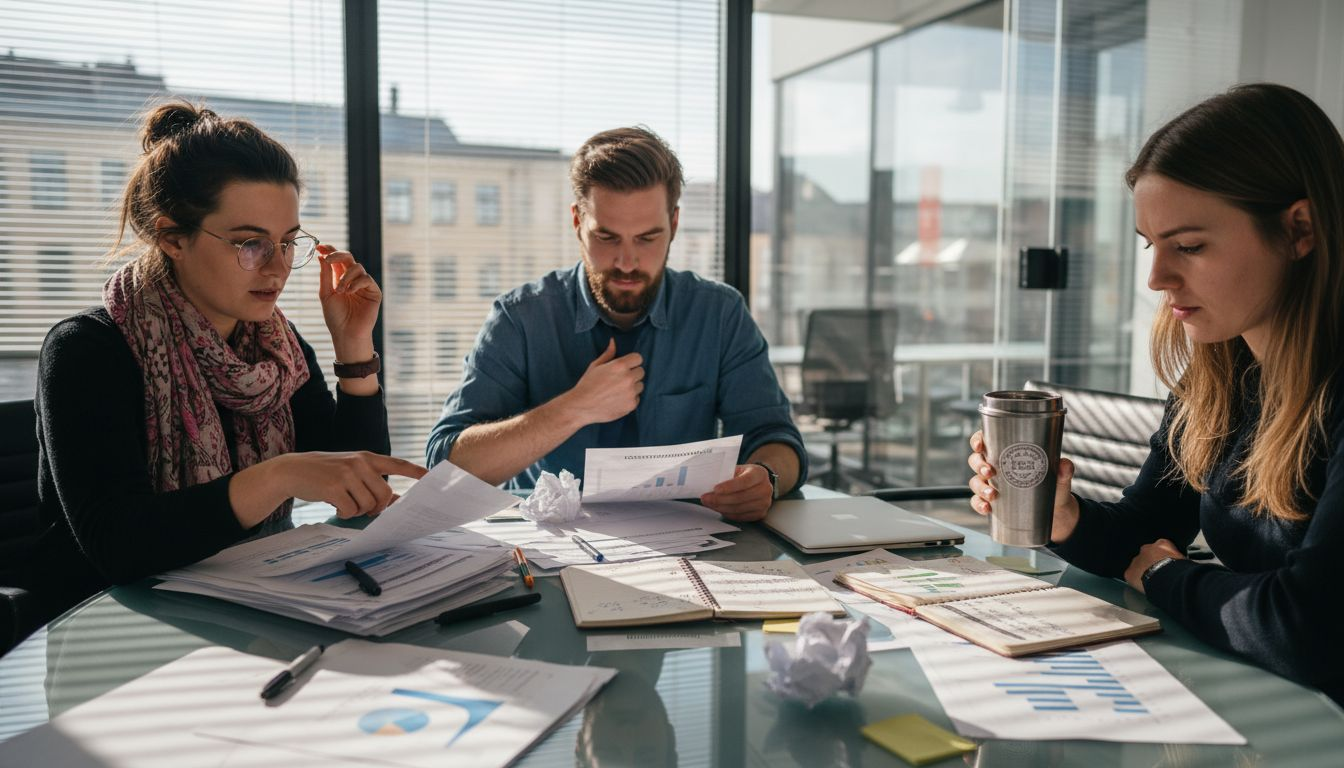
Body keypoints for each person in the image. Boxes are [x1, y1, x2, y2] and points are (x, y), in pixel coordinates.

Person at [966, 83, 1344, 704]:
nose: (1157, 277)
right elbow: (1143, 525)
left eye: (1189, 246)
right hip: (1259, 699)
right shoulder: (1221, 377)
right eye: (1152, 245)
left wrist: (1167, 576)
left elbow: (1310, 628)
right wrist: (1065, 518)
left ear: (1299, 229)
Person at [22, 101, 425, 623]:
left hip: (246, 604)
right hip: (110, 625)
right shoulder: (88, 350)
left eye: (286, 242)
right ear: (172, 238)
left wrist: (353, 351)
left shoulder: (276, 346)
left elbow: (360, 483)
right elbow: (118, 546)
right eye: (250, 244)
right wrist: (277, 477)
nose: (279, 268)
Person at [427, 126, 805, 521]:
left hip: (694, 549)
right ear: (577, 221)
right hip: (556, 553)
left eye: (647, 238)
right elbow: (446, 468)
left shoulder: (719, 314)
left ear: (674, 225)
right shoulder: (521, 318)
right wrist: (573, 409)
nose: (626, 262)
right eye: (606, 237)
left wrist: (766, 476)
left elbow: (777, 438)